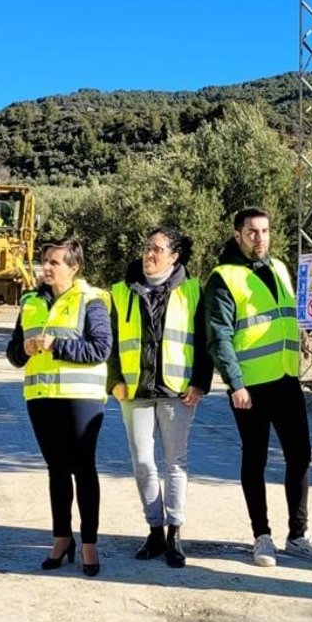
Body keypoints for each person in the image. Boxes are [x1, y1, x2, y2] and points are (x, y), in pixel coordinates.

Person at [205, 207, 312, 567]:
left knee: (300, 455)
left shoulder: (279, 268)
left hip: (287, 379)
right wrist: (235, 383)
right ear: (237, 235)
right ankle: (261, 536)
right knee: (255, 459)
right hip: (250, 386)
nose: (259, 237)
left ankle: (298, 534)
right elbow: (219, 336)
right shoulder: (224, 277)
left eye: (265, 230)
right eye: (252, 232)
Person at [106, 226, 213, 568]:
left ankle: (174, 533)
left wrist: (200, 383)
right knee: (142, 462)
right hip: (134, 389)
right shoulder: (121, 291)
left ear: (174, 256)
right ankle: (154, 529)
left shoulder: (194, 291)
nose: (148, 254)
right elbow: (111, 341)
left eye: (157, 249)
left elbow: (206, 342)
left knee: (175, 462)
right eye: (146, 247)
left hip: (176, 390)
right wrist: (113, 380)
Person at [6, 238, 112, 577]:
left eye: (54, 262)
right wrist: (24, 348)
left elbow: (101, 349)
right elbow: (13, 355)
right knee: (56, 469)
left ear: (74, 267)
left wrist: (56, 346)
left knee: (84, 468)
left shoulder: (92, 300)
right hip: (41, 398)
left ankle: (90, 543)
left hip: (81, 398)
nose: (46, 268)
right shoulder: (30, 302)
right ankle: (62, 538)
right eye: (45, 261)